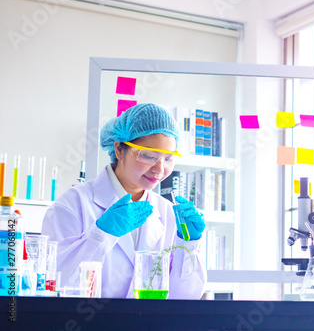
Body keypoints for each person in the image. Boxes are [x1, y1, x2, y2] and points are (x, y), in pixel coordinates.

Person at [42, 103, 206, 299]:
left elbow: (185, 298)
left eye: (168, 159)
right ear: (119, 149)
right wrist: (100, 235)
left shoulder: (169, 213)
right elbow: (54, 286)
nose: (159, 170)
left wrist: (189, 245)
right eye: (149, 156)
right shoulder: (72, 205)